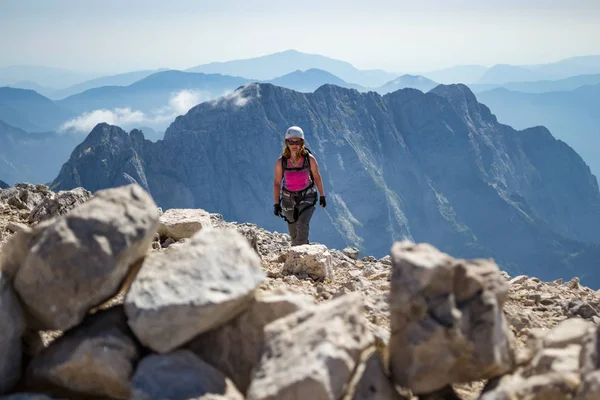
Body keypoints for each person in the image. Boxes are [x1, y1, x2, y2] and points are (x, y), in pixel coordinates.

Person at [273, 126, 326, 246]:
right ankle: (298, 258)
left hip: (307, 196)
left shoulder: (309, 160)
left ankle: (303, 257)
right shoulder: (281, 162)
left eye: (297, 142)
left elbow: (317, 177)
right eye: (291, 142)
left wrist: (322, 195)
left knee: (302, 225)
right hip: (288, 199)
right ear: (287, 143)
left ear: (302, 142)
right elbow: (277, 183)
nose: (294, 145)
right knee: (294, 234)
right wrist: (276, 204)